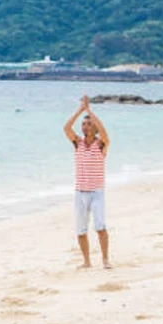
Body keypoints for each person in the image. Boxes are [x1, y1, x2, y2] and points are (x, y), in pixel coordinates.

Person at [63, 95, 111, 269]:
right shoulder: (78, 144)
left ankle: (105, 259)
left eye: (89, 123)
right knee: (81, 230)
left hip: (97, 193)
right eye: (83, 124)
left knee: (100, 226)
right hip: (80, 193)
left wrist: (90, 111)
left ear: (95, 127)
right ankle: (87, 261)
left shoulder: (101, 144)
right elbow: (66, 128)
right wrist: (80, 111)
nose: (85, 126)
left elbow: (105, 132)